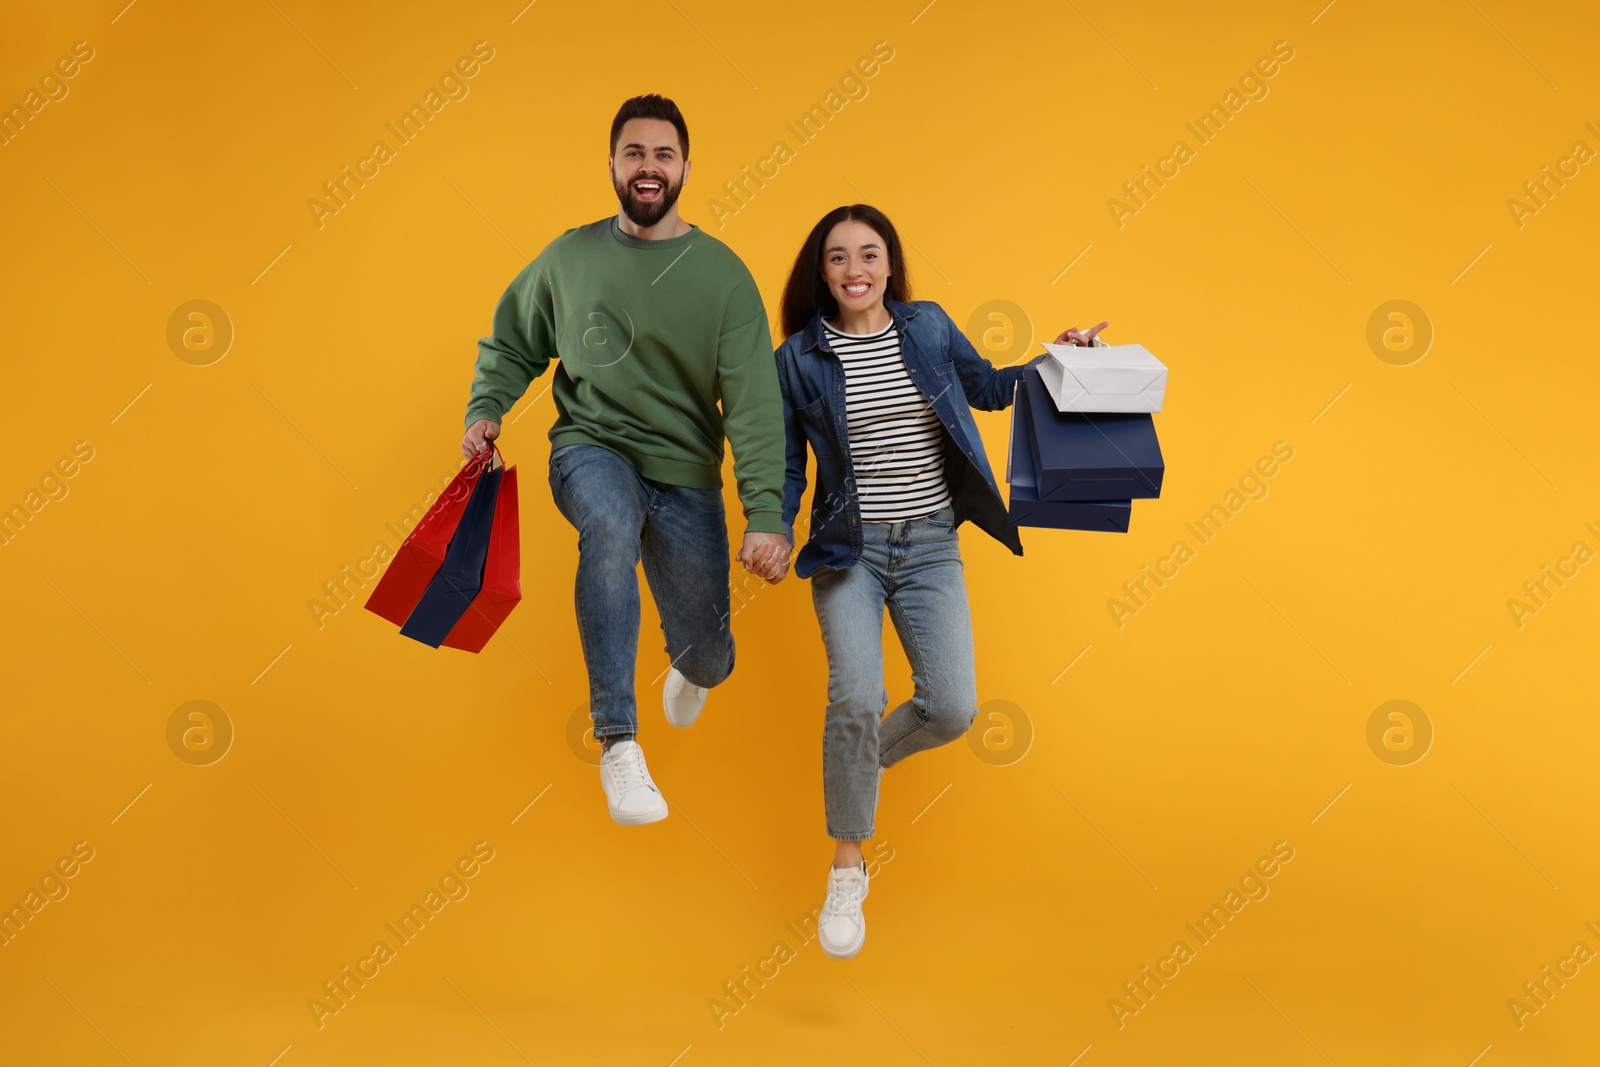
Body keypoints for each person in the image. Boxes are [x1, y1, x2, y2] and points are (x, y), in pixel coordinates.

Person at [772, 203, 1106, 958]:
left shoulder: (925, 327)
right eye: (837, 258)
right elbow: (789, 463)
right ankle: (848, 862)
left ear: (890, 265)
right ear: (821, 274)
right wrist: (771, 523)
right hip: (847, 551)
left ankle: (852, 760)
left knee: (952, 708)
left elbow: (988, 387)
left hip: (928, 548)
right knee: (854, 696)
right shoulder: (797, 359)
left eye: (869, 254)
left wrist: (1064, 359)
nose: (855, 270)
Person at [460, 94, 792, 826]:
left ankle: (691, 664)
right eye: (634, 153)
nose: (649, 167)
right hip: (592, 447)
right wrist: (486, 409)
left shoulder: (723, 277)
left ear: (685, 168)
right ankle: (618, 741)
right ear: (611, 164)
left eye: (662, 154)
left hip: (685, 474)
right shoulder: (569, 258)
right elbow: (514, 340)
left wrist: (767, 514)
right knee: (607, 527)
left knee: (711, 659)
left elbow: (755, 409)